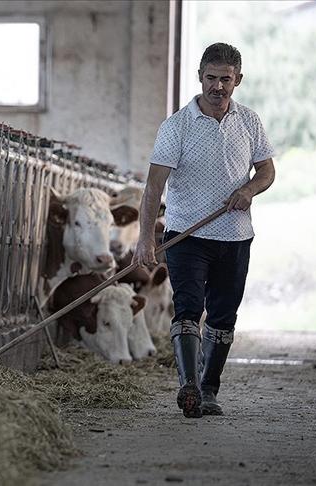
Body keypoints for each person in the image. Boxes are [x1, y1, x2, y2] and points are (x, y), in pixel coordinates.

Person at [132, 42, 276, 418]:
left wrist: (249, 189)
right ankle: (189, 385)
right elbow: (154, 186)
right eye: (211, 78)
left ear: (238, 80)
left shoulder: (249, 122)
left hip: (236, 236)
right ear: (200, 77)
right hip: (186, 236)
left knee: (223, 316)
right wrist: (145, 237)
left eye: (225, 79)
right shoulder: (176, 127)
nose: (218, 86)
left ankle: (209, 389)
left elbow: (267, 170)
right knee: (188, 308)